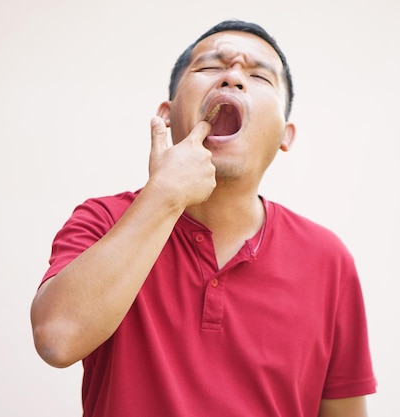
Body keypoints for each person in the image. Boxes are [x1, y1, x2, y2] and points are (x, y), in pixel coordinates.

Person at [31, 19, 377, 417]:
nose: (232, 77)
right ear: (165, 114)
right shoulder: (104, 219)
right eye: (210, 67)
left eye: (259, 75)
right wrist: (164, 195)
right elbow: (57, 339)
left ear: (286, 134)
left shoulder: (327, 259)